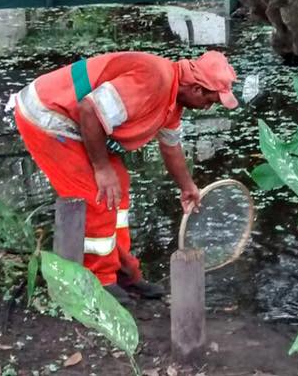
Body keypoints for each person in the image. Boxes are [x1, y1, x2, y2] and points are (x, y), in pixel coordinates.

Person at [12, 50, 239, 304]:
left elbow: (171, 146)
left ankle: (122, 270)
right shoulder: (154, 79)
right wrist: (101, 168)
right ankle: (98, 280)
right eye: (210, 100)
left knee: (118, 184)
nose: (207, 106)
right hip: (48, 116)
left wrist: (187, 187)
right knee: (97, 195)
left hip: (79, 124)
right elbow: (89, 109)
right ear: (197, 89)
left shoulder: (173, 99)